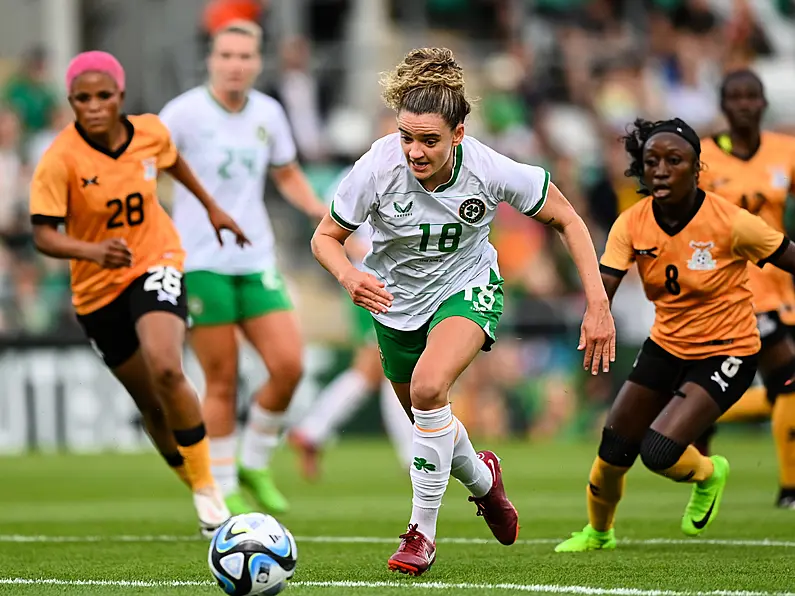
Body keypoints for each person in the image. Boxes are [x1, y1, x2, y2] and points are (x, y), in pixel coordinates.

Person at [311, 47, 616, 576]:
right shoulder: (376, 167)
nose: (414, 151)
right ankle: (483, 480)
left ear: (458, 133)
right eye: (407, 137)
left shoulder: (488, 168)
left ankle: (420, 534)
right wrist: (348, 275)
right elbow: (325, 238)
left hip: (467, 289)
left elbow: (567, 218)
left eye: (429, 140)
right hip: (395, 304)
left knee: (430, 389)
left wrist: (598, 304)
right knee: (428, 421)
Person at [29, 51, 249, 537]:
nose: (93, 105)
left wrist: (212, 208)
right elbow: (43, 234)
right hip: (95, 289)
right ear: (71, 102)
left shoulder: (150, 131)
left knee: (167, 366)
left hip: (155, 261)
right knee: (150, 401)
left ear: (120, 97)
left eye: (103, 95)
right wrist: (90, 250)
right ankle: (195, 483)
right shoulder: (59, 160)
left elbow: (175, 164)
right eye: (82, 98)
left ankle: (210, 491)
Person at [555, 117, 795, 553]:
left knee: (660, 452)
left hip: (730, 350)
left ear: (697, 167)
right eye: (651, 161)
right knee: (613, 449)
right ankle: (599, 532)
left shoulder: (732, 222)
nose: (661, 170)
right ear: (641, 169)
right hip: (666, 344)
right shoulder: (632, 224)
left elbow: (789, 256)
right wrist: (596, 314)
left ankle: (710, 473)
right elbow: (603, 285)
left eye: (674, 160)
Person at [159, 20, 327, 516]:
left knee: (289, 365)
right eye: (226, 56)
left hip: (255, 258)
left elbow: (287, 173)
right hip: (202, 261)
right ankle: (225, 482)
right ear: (211, 60)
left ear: (258, 62)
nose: (235, 65)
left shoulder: (269, 113)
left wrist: (320, 210)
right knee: (222, 378)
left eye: (244, 56)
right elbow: (147, 169)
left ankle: (254, 461)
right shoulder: (183, 113)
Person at [696, 69, 795, 509]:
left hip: (777, 285)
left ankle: (790, 486)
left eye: (750, 96)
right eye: (734, 96)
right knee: (777, 377)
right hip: (720, 286)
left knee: (784, 381)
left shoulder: (785, 151)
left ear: (762, 103)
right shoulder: (698, 156)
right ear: (722, 104)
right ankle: (702, 466)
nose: (742, 104)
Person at [289, 154, 414, 480]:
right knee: (393, 368)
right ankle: (412, 454)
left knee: (370, 372)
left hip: (390, 283)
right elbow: (331, 224)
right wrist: (359, 252)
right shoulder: (359, 173)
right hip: (372, 284)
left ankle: (312, 431)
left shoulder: (408, 172)